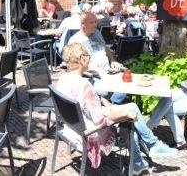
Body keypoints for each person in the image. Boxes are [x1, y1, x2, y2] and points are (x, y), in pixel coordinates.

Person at [57, 43, 177, 173]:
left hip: (72, 128)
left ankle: (148, 150)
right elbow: (99, 120)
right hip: (90, 133)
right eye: (88, 55)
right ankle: (143, 157)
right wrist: (125, 114)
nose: (89, 59)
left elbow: (82, 103)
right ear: (81, 58)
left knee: (132, 107)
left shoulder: (63, 79)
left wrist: (102, 100)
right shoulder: (84, 85)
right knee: (129, 121)